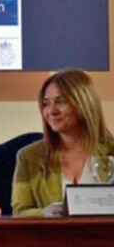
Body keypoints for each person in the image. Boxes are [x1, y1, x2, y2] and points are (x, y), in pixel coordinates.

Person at [12, 68, 114, 217]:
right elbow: (19, 212)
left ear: (83, 103)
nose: (51, 111)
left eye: (60, 101)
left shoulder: (111, 152)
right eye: (46, 103)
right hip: (51, 238)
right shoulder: (28, 157)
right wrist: (47, 213)